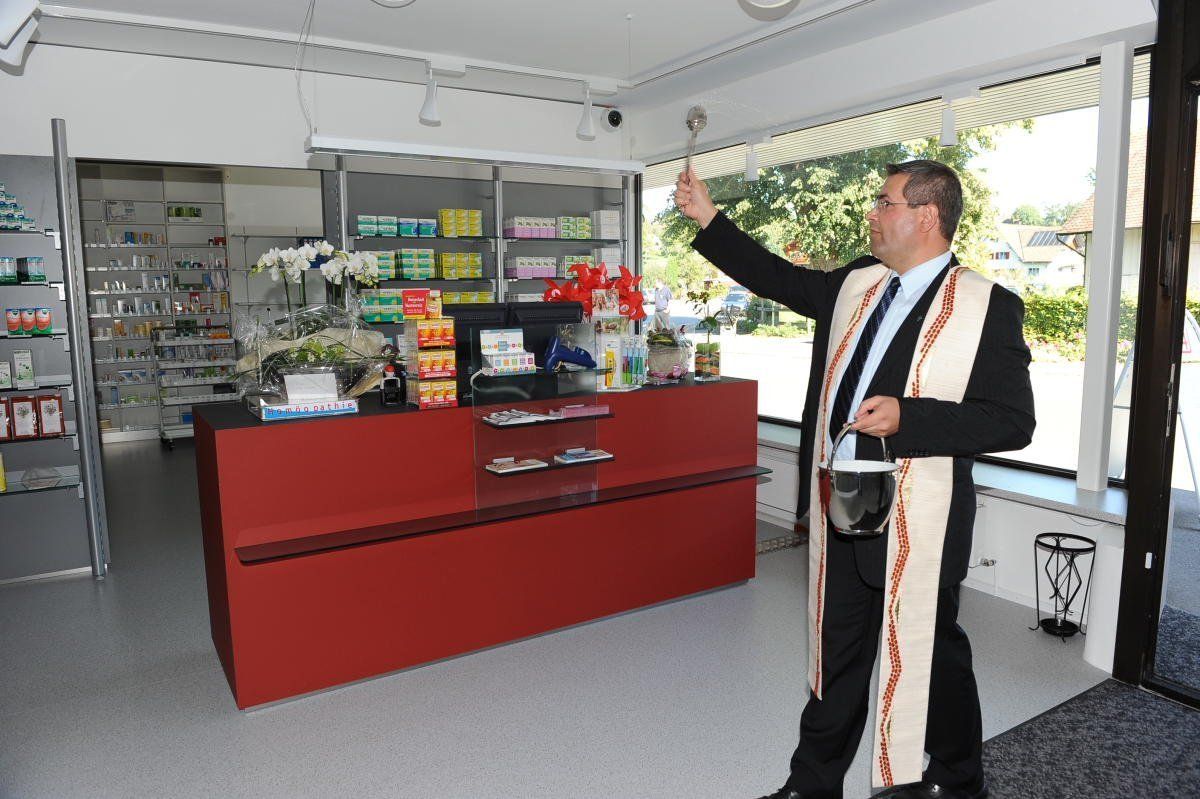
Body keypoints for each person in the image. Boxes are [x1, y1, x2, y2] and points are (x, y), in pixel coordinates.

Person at [675, 160, 1034, 799]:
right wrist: (707, 216)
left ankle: (958, 780)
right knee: (836, 649)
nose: (872, 213)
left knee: (932, 654)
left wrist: (909, 418)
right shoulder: (857, 284)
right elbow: (777, 278)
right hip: (843, 502)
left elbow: (1012, 420)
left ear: (927, 215)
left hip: (919, 518)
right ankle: (812, 784)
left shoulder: (987, 307)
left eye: (885, 202)